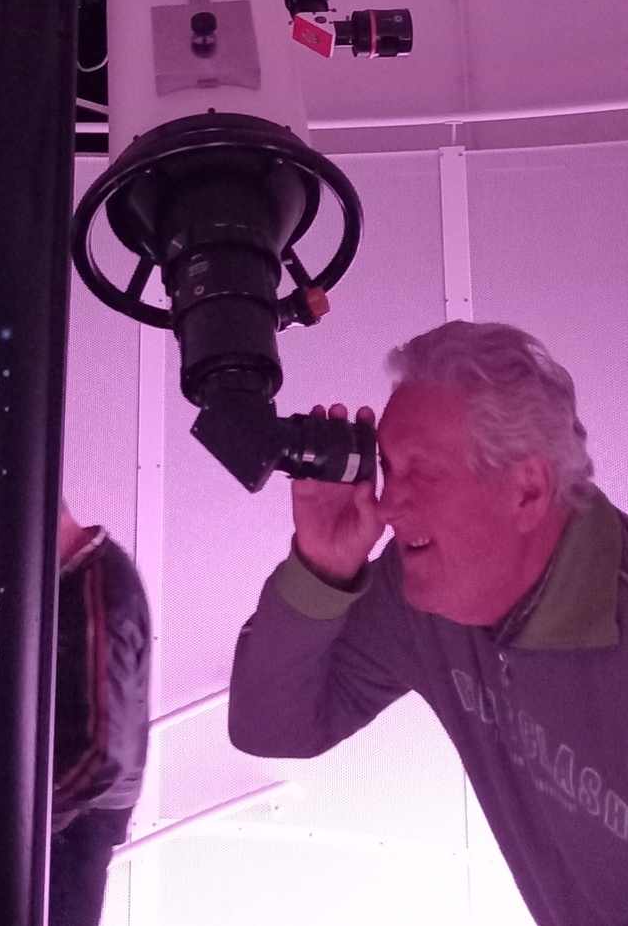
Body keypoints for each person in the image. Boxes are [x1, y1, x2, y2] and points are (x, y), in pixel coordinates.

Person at [228, 321, 628, 926]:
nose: (387, 505)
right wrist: (321, 570)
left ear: (526, 490)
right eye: (388, 467)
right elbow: (272, 728)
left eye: (423, 471)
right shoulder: (417, 597)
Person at [50, 500, 151, 926]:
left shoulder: (99, 591)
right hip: (86, 809)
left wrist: (36, 810)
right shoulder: (92, 574)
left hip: (81, 815)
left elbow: (105, 751)